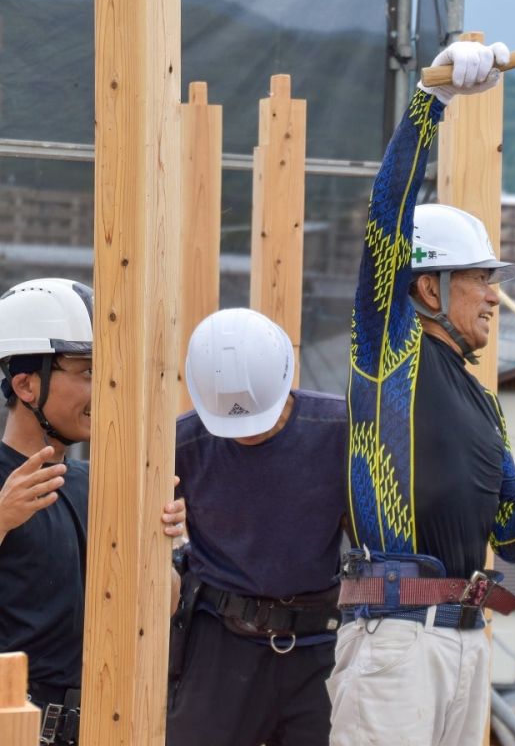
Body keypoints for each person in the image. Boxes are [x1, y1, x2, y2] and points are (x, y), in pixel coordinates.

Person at [328, 40, 515, 746]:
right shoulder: (389, 356)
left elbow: (512, 542)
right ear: (428, 287)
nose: (495, 297)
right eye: (480, 279)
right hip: (396, 643)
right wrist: (430, 104)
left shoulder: (483, 403)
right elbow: (387, 220)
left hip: (467, 642)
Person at [0, 277, 186, 745]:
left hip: (101, 722)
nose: (105, 389)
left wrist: (159, 546)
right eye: (86, 372)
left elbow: (161, 612)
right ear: (25, 384)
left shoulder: (96, 485)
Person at [166, 308, 347, 746]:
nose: (245, 435)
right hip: (219, 645)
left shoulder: (341, 430)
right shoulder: (181, 443)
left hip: (320, 645)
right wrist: (161, 522)